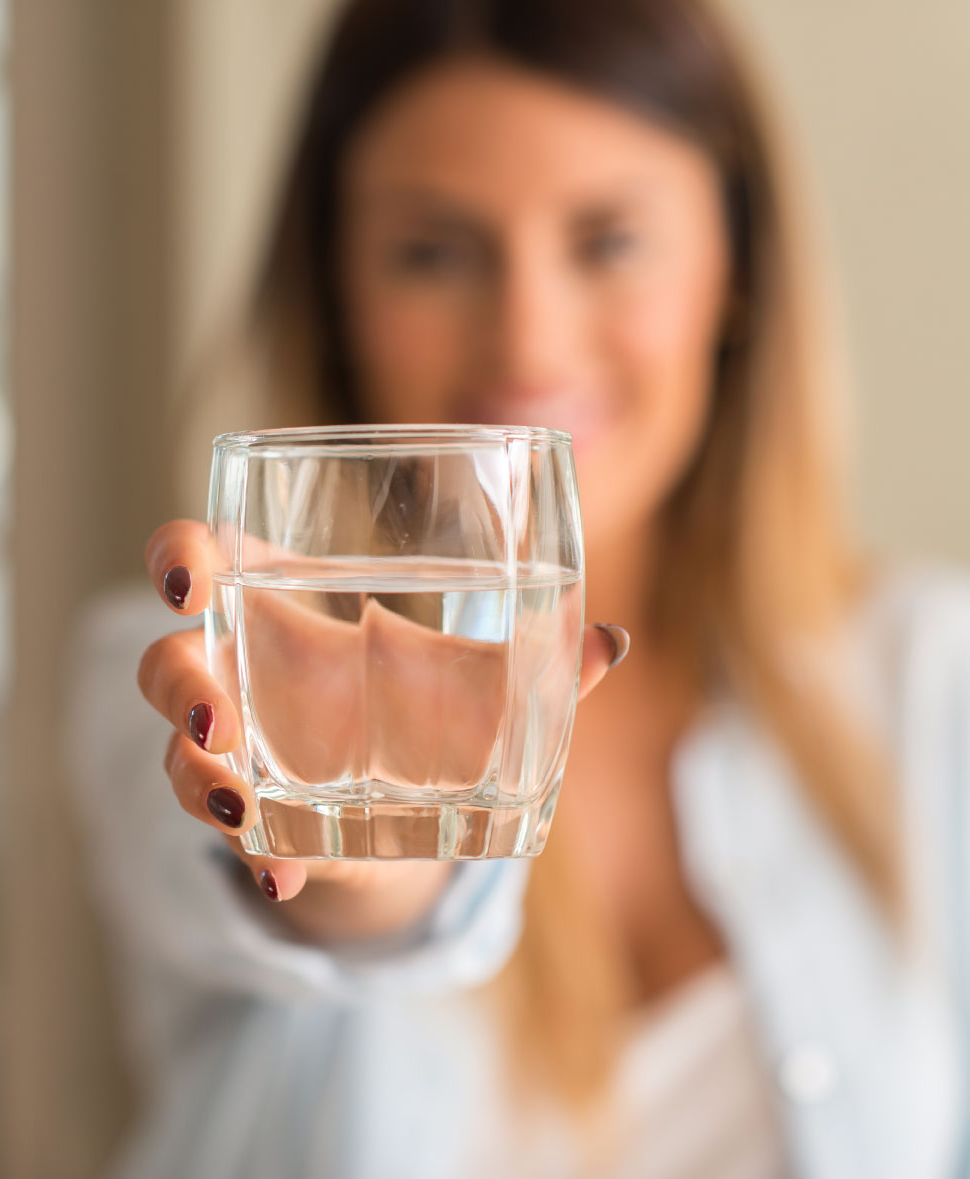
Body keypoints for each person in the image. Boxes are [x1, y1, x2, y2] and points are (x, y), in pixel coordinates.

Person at [67, 1, 970, 1176]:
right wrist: (365, 861)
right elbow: (269, 900)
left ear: (734, 268)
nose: (527, 339)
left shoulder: (926, 673)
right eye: (433, 253)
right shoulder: (187, 659)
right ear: (337, 287)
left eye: (607, 243)